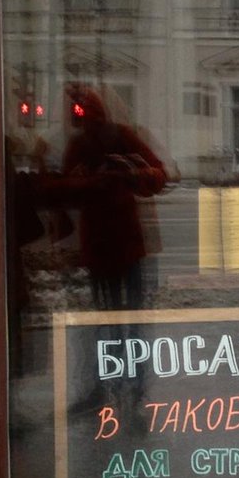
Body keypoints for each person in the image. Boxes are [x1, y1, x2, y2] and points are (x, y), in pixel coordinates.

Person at [62, 84, 168, 310]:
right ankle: (126, 330)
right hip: (120, 237)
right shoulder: (117, 136)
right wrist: (129, 176)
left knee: (108, 304)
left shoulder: (87, 142)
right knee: (129, 302)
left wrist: (120, 177)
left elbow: (65, 190)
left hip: (106, 238)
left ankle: (114, 330)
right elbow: (159, 175)